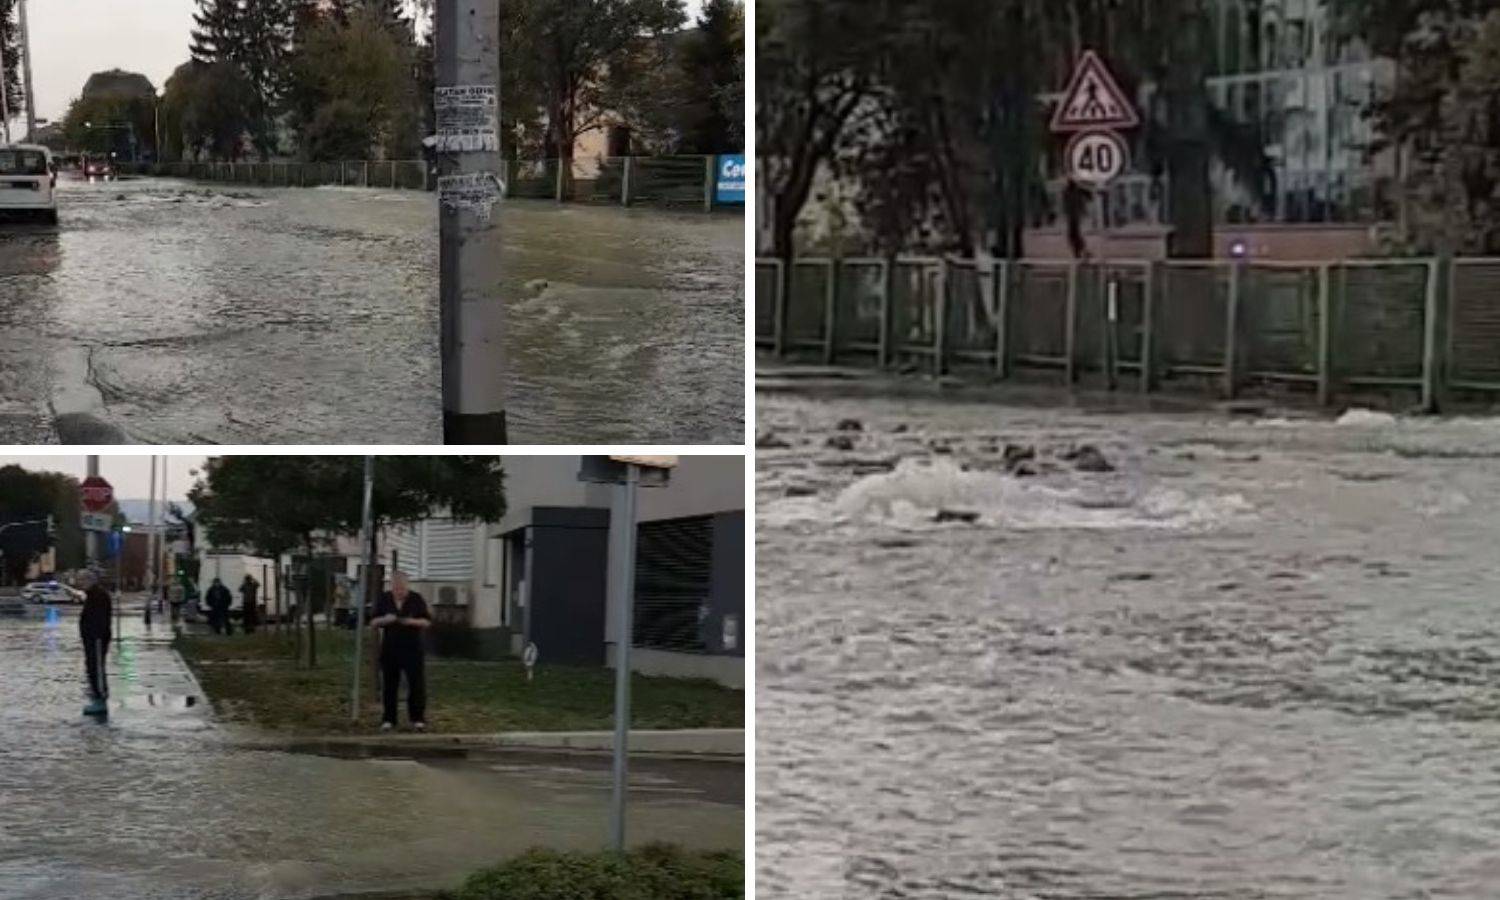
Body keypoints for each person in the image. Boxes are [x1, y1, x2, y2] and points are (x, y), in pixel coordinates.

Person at [370, 570, 432, 732]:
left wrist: (411, 621)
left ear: (407, 586)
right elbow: (374, 621)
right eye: (397, 590)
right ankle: (389, 719)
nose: (400, 593)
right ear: (392, 587)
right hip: (390, 648)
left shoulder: (416, 599)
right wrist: (386, 619)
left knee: (416, 684)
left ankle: (417, 718)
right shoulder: (384, 599)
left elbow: (426, 622)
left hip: (412, 648)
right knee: (390, 685)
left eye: (403, 590)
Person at [80, 572, 112, 714]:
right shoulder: (93, 594)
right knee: (92, 666)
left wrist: (97, 635)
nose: (80, 583)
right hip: (92, 638)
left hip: (97, 638)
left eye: (82, 580)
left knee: (97, 667)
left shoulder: (98, 595)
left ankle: (100, 698)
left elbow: (99, 618)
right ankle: (97, 694)